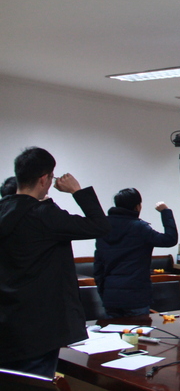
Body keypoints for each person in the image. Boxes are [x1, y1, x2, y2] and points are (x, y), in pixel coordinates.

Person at [0, 147, 110, 377]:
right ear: (44, 179)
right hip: (39, 328)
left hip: (8, 323)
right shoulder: (43, 215)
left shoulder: (4, 210)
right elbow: (100, 226)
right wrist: (77, 191)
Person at [93, 188, 179, 318]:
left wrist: (104, 292)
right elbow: (170, 239)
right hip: (136, 295)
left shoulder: (103, 227)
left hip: (111, 296)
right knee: (138, 330)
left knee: (113, 330)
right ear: (137, 206)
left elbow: (98, 266)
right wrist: (165, 212)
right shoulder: (139, 227)